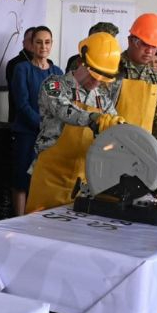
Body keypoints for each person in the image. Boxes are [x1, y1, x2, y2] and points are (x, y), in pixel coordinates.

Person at [26, 32, 125, 213]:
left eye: (102, 80)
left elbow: (113, 124)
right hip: (49, 177)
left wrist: (117, 126)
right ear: (81, 62)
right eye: (94, 76)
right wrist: (93, 119)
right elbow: (63, 110)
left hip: (83, 181)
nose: (96, 84)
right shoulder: (53, 85)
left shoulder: (102, 99)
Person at [9, 25, 62, 215]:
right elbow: (22, 104)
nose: (43, 46)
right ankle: (19, 220)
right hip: (27, 134)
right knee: (22, 180)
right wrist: (42, 125)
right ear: (31, 44)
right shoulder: (22, 69)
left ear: (51, 44)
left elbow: (59, 104)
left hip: (50, 137)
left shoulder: (56, 72)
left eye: (47, 42)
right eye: (38, 42)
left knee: (44, 180)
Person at [117, 13, 157, 149]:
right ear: (130, 41)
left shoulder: (155, 78)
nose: (149, 51)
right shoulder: (112, 69)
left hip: (143, 151)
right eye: (144, 44)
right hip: (111, 146)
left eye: (154, 46)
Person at [5, 27, 36, 123]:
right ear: (23, 42)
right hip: (20, 119)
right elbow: (20, 96)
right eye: (30, 40)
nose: (33, 42)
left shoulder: (49, 64)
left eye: (36, 40)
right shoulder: (14, 64)